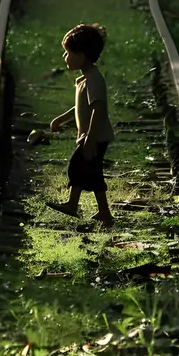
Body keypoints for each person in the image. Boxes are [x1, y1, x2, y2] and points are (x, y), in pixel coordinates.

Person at [47, 23, 114, 227]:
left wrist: (90, 139)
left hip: (95, 137)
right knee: (90, 172)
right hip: (89, 136)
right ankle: (98, 211)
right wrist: (61, 119)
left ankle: (81, 207)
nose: (65, 58)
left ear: (82, 55)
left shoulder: (94, 80)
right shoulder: (85, 79)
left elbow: (98, 109)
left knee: (79, 168)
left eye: (68, 53)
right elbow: (79, 107)